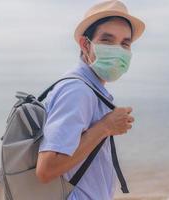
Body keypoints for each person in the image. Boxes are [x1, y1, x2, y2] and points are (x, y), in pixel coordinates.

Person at [35, 0, 145, 199]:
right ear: (86, 44)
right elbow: (46, 169)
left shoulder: (90, 88)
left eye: (125, 43)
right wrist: (105, 127)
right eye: (107, 40)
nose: (118, 50)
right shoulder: (77, 90)